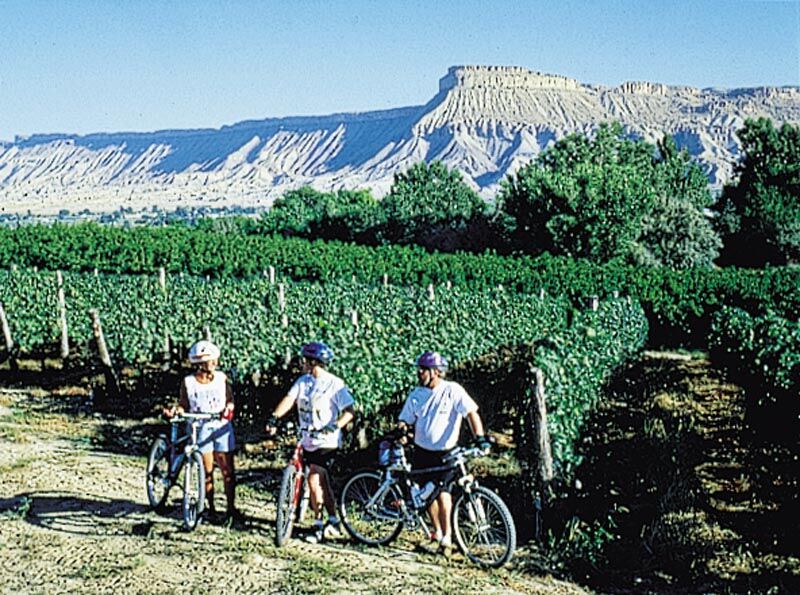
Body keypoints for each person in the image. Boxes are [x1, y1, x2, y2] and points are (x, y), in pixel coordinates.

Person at [397, 351, 491, 557]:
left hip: (446, 453)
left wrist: (480, 437)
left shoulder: (452, 390)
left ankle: (448, 537)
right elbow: (405, 419)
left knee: (444, 493)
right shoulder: (416, 395)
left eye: (423, 369)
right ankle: (437, 534)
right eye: (419, 369)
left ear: (436, 373)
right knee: (427, 496)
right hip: (422, 452)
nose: (419, 373)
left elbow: (470, 413)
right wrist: (402, 429)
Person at [266, 341, 355, 544]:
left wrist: (335, 426)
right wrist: (274, 417)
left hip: (326, 441)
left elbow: (350, 411)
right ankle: (333, 520)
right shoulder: (303, 381)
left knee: (314, 480)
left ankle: (318, 525)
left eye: (305, 360)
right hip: (307, 438)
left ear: (313, 362)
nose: (302, 363)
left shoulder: (334, 384)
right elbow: (289, 399)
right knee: (322, 484)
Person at [164, 340, 238, 523]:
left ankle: (231, 509)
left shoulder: (221, 378)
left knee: (228, 470)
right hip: (200, 427)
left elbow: (229, 399)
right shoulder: (189, 383)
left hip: (221, 427)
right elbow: (183, 404)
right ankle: (209, 508)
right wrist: (177, 411)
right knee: (206, 470)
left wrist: (229, 407)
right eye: (209, 361)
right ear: (199, 364)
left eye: (214, 360)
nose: (214, 363)